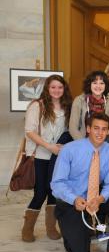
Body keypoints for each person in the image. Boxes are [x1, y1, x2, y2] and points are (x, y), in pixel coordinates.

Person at [51, 112, 109, 252]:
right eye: (96, 128)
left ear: (108, 131)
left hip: (94, 200)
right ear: (88, 129)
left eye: (104, 129)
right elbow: (57, 184)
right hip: (71, 201)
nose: (100, 133)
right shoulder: (69, 149)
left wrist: (100, 198)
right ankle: (70, 226)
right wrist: (74, 199)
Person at [21, 75, 72, 242]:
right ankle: (27, 228)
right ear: (47, 88)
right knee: (41, 192)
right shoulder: (37, 105)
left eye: (60, 87)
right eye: (53, 87)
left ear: (64, 89)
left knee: (53, 192)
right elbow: (29, 131)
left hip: (58, 156)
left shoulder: (67, 107)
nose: (56, 90)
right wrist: (49, 146)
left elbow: (67, 132)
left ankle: (51, 227)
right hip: (40, 155)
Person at [69, 70, 109, 143]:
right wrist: (85, 143)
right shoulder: (79, 100)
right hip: (82, 143)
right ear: (89, 84)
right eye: (95, 83)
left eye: (102, 83)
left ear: (106, 85)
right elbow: (73, 128)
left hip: (105, 142)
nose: (98, 86)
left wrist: (100, 143)